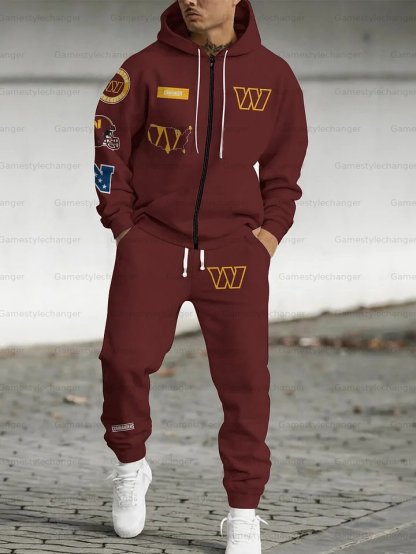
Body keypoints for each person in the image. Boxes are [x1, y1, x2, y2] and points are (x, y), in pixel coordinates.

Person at [94, 0, 308, 551]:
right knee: (122, 360)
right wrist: (123, 226)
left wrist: (268, 236)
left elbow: (285, 167)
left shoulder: (274, 76)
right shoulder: (143, 68)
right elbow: (109, 145)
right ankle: (130, 464)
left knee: (245, 384)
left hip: (236, 253)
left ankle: (243, 511)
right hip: (153, 245)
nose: (191, 0)